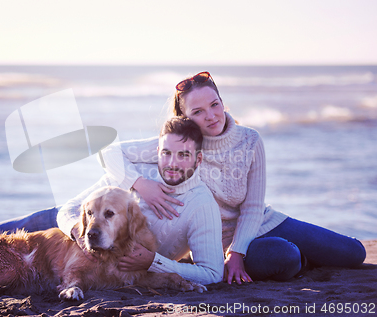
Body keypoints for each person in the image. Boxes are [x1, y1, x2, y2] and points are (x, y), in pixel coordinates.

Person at [99, 71, 366, 284]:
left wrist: (237, 254)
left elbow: (252, 207)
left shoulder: (250, 140)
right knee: (285, 257)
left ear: (223, 103)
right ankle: (302, 259)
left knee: (355, 254)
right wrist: (141, 185)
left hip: (263, 222)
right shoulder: (184, 146)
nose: (211, 115)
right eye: (198, 112)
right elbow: (109, 152)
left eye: (214, 104)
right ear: (185, 118)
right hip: (219, 242)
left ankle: (300, 253)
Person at [0, 117, 224, 285]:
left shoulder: (201, 205)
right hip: (71, 221)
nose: (172, 163)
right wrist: (80, 231)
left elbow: (213, 273)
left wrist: (152, 261)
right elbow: (70, 208)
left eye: (183, 155)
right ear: (156, 151)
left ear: (198, 160)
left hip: (91, 242)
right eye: (166, 153)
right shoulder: (141, 171)